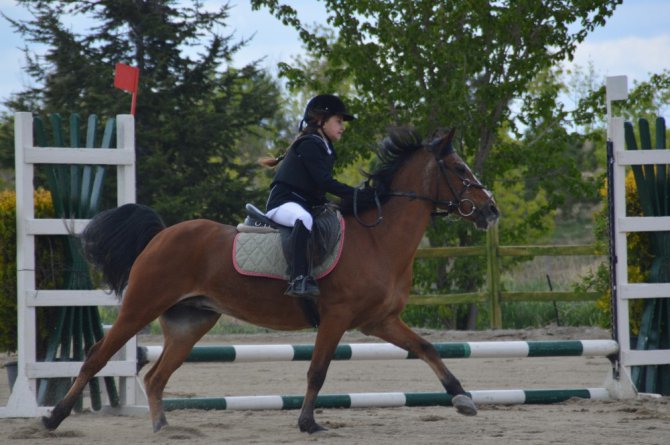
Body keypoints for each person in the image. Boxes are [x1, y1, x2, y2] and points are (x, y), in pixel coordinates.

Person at [259, 94, 357, 299]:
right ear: (320, 120)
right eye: (338, 121)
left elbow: (317, 191)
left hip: (303, 203)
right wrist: (356, 194)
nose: (343, 127)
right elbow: (324, 182)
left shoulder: (325, 146)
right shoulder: (310, 144)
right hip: (282, 203)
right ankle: (298, 278)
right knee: (303, 219)